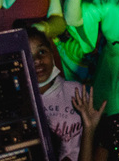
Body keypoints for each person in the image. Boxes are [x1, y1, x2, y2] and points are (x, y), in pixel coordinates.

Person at [27, 26, 85, 161]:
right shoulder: (24, 102)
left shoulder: (75, 91)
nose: (37, 60)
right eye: (29, 56)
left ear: (52, 53)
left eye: (42, 51)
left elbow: (92, 136)